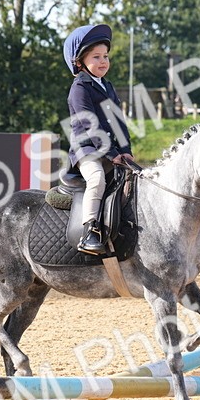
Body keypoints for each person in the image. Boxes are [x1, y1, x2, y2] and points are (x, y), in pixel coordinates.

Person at [63, 23, 134, 254]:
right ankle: (90, 231)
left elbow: (118, 122)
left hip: (110, 151)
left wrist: (126, 151)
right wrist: (112, 154)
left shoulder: (107, 86)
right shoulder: (79, 88)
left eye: (105, 56)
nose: (103, 61)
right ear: (79, 62)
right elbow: (90, 125)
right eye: (96, 57)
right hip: (87, 151)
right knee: (97, 180)